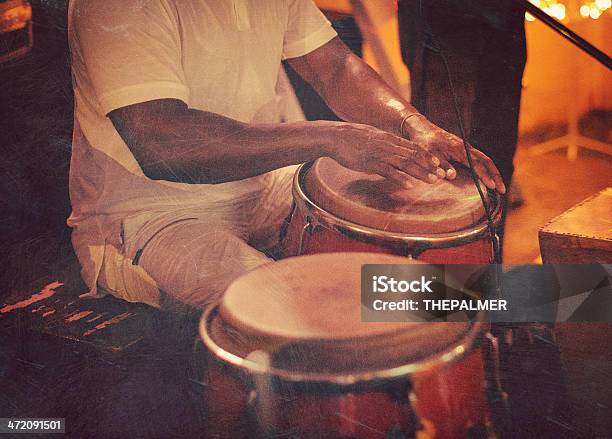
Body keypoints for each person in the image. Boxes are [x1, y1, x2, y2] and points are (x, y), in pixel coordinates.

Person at [67, 0, 504, 310]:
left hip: (262, 185)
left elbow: (331, 67)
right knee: (298, 309)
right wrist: (327, 137)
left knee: (400, 244)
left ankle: (541, 306)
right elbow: (161, 142)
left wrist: (416, 127)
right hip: (148, 219)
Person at [398, 0, 527, 257]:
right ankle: (451, 286)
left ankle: (483, 281)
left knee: (492, 170)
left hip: (501, 27)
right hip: (451, 28)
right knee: (450, 176)